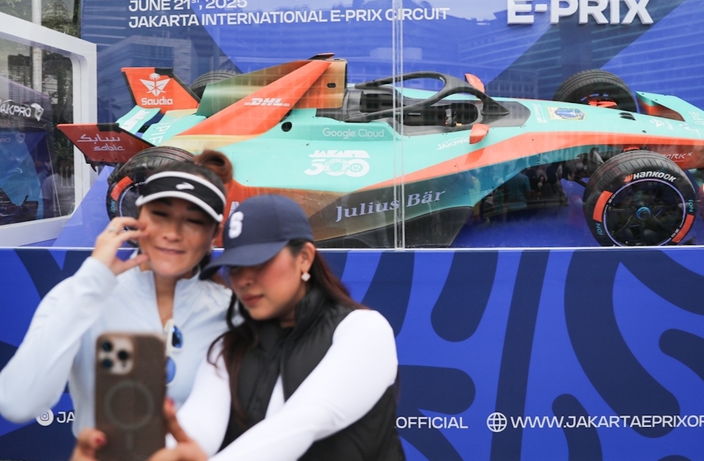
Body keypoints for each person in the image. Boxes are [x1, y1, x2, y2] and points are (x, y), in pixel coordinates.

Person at [88, 194, 404, 461]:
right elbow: (197, 430)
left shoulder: (364, 330)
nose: (244, 280)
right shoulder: (228, 349)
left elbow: (306, 420)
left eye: (260, 262)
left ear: (305, 258)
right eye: (236, 267)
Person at [0, 150, 234, 436]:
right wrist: (92, 280)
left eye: (193, 221)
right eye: (160, 215)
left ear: (213, 235)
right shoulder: (83, 294)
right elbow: (18, 403)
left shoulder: (228, 311)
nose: (173, 233)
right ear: (136, 217)